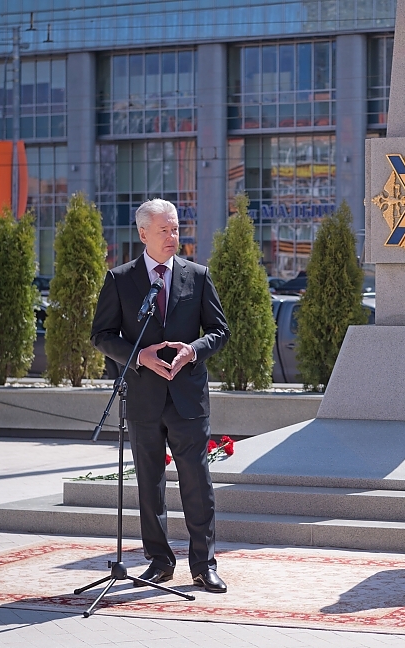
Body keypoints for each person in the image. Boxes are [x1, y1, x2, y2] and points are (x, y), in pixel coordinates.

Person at [91, 198, 230, 593]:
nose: (173, 236)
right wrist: (139, 357)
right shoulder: (120, 280)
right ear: (143, 233)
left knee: (197, 484)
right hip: (143, 399)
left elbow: (219, 331)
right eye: (165, 230)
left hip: (188, 399)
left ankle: (204, 565)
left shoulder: (198, 275)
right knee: (149, 484)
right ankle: (159, 561)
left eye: (176, 228)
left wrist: (193, 350)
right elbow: (101, 335)